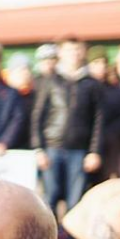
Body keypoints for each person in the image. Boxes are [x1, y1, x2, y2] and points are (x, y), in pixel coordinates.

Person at [32, 36, 107, 216]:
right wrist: (38, 149)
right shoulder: (50, 80)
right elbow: (38, 115)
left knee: (75, 201)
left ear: (83, 53)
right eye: (69, 50)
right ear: (60, 53)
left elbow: (98, 120)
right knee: (50, 198)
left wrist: (94, 151)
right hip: (52, 148)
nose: (73, 54)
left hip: (79, 150)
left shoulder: (91, 84)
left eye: (77, 50)